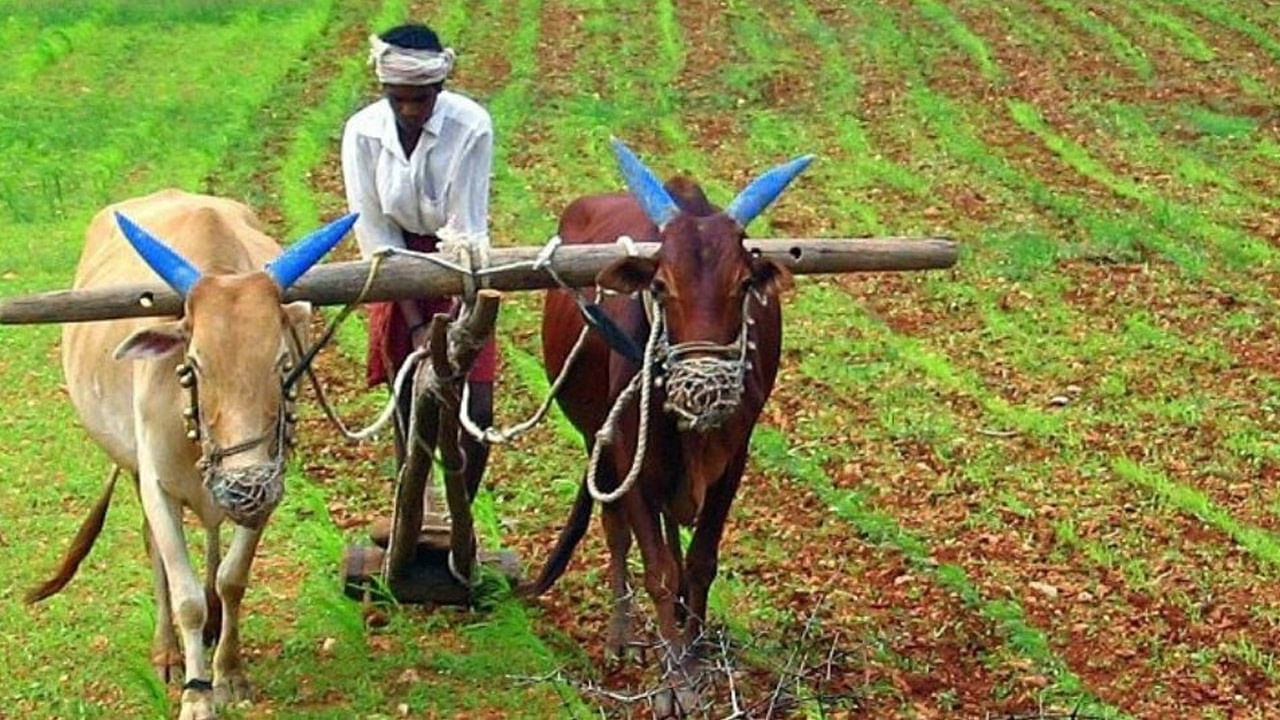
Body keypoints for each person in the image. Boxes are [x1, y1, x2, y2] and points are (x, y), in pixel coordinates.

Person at [341, 23, 497, 498]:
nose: (409, 110)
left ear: (440, 88)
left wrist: (458, 326)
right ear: (385, 91)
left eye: (421, 99)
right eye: (398, 99)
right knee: (411, 396)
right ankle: (413, 506)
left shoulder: (471, 125)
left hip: (459, 265)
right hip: (395, 267)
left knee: (478, 407)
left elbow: (465, 228)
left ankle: (460, 514)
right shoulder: (363, 133)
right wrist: (413, 324)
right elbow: (376, 232)